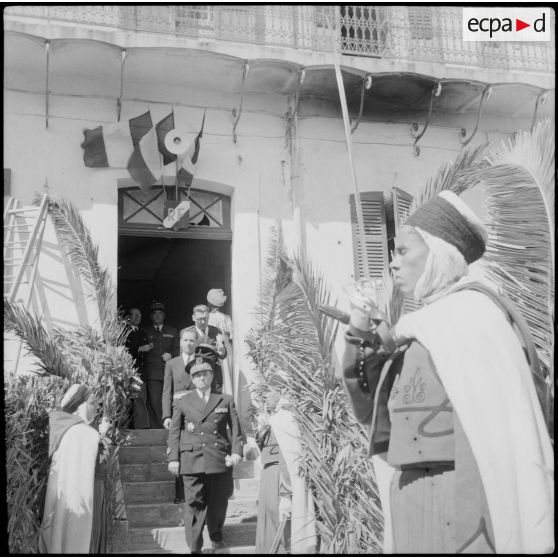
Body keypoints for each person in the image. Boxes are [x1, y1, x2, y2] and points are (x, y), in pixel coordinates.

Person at [342, 190, 554, 554]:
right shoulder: (415, 329)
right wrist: (359, 328)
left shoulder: (476, 317)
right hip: (410, 493)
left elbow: (499, 433)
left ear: (438, 255)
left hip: (463, 494)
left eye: (403, 252)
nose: (393, 264)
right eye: (392, 253)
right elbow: (367, 404)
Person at [167, 350, 243, 554]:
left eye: (205, 374)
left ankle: (216, 535)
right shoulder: (182, 401)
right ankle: (195, 546)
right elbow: (174, 432)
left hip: (219, 459)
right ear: (192, 378)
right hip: (192, 459)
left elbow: (236, 429)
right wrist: (173, 458)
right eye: (197, 375)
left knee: (219, 502)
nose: (202, 378)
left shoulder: (224, 400)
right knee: (194, 504)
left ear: (211, 376)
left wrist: (236, 452)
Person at [255, 373, 317, 554]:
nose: (264, 395)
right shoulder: (273, 417)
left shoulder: (286, 417)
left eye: (268, 391)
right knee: (269, 526)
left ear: (281, 392)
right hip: (268, 476)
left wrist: (286, 494)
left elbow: (287, 458)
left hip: (279, 479)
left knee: (280, 527)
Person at [39, 384, 102, 553]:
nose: (98, 407)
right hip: (78, 508)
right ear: (80, 405)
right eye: (93, 402)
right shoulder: (82, 433)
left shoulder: (66, 429)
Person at [162, 328, 199, 504]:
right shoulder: (172, 364)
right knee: (177, 449)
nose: (189, 344)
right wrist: (166, 416)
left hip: (196, 412)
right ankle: (180, 494)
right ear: (180, 342)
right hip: (177, 414)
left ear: (196, 343)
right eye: (185, 340)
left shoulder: (200, 363)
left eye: (192, 340)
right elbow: (166, 391)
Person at [143, 301, 179, 428]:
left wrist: (172, 356)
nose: (157, 316)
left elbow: (179, 350)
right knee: (155, 401)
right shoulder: (145, 331)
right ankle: (160, 427)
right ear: (151, 316)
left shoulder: (172, 331)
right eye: (155, 314)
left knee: (171, 399)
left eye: (160, 313)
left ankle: (172, 425)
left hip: (170, 372)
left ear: (164, 316)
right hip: (153, 373)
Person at [185, 304, 226, 393]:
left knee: (216, 403)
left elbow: (223, 355)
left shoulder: (216, 331)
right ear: (193, 318)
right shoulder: (187, 333)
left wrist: (222, 349)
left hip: (214, 377)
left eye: (205, 319)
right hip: (197, 377)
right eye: (200, 319)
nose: (203, 322)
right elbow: (184, 358)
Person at [125, 307, 151, 428]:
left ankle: (141, 429)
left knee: (140, 400)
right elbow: (122, 349)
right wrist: (139, 349)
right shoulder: (123, 331)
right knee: (126, 402)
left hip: (140, 372)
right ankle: (125, 428)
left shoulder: (143, 333)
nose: (136, 317)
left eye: (139, 315)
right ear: (128, 316)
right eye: (133, 315)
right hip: (126, 372)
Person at [206, 289, 235, 397]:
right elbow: (231, 336)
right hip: (227, 350)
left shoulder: (207, 318)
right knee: (227, 375)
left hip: (214, 348)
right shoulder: (225, 317)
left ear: (209, 303)